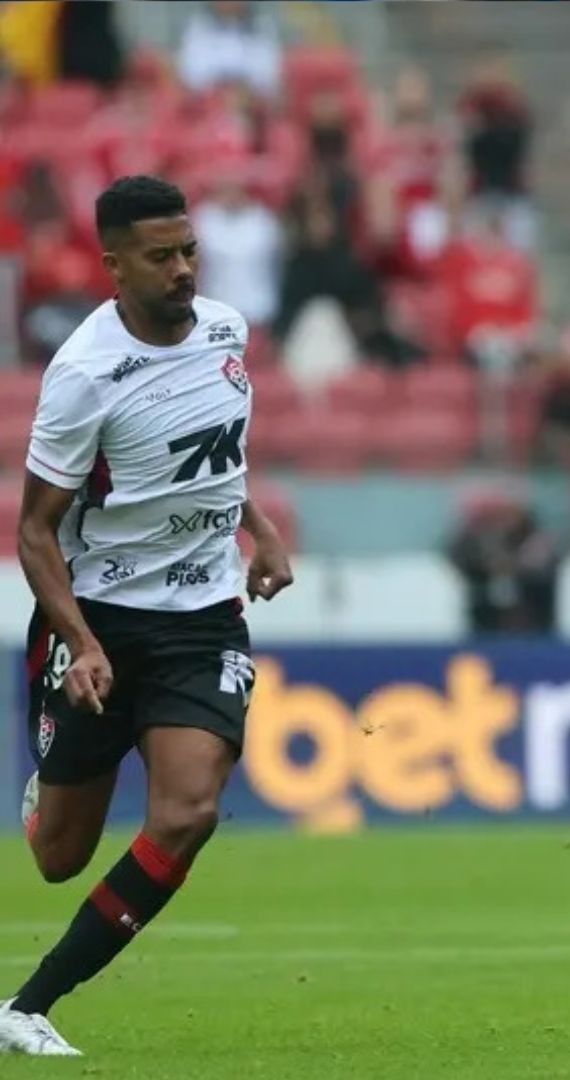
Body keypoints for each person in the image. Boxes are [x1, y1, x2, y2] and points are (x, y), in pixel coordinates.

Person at [2, 175, 294, 1057]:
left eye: (189, 250)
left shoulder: (226, 332)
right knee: (60, 857)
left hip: (202, 615)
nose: (182, 270)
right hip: (97, 618)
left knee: (188, 810)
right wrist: (83, 643)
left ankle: (28, 1006)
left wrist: (263, 533)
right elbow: (35, 532)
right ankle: (42, 795)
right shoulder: (86, 376)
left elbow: (214, 459)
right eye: (161, 257)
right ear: (114, 265)